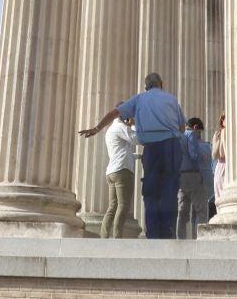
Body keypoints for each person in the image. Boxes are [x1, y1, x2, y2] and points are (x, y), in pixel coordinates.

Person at [81, 73, 186, 238]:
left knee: (151, 192)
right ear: (161, 84)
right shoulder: (171, 99)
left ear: (146, 87)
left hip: (151, 149)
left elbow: (114, 113)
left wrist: (97, 128)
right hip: (171, 147)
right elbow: (181, 127)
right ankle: (168, 230)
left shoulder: (139, 99)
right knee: (169, 189)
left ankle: (153, 232)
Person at [99, 115, 138, 238]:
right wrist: (133, 125)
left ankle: (104, 236)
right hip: (122, 171)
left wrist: (137, 156)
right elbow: (135, 139)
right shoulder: (121, 127)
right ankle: (117, 236)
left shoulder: (111, 129)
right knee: (123, 205)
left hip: (111, 171)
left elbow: (122, 151)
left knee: (112, 206)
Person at [176, 118, 213, 239]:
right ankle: (198, 239)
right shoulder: (191, 134)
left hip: (181, 176)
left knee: (182, 212)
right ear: (196, 127)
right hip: (193, 175)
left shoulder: (179, 136)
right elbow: (194, 155)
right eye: (200, 132)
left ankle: (180, 239)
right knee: (200, 210)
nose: (199, 135)